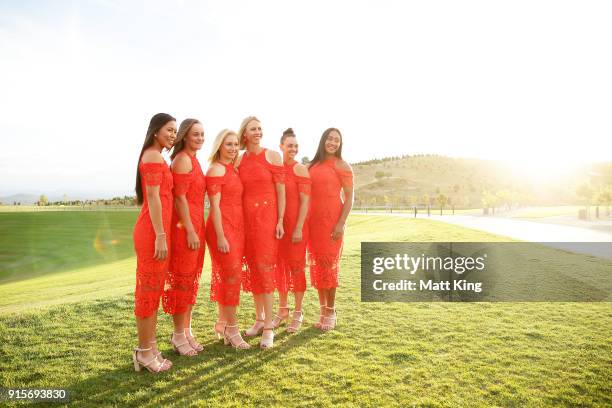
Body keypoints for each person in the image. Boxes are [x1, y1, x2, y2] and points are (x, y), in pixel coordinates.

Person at [236, 116, 285, 349]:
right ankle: (259, 320)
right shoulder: (239, 159)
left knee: (265, 271)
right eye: (253, 129)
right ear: (244, 134)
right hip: (246, 223)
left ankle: (269, 328)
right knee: (254, 270)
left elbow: (281, 192)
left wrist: (281, 220)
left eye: (260, 129)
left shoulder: (272, 155)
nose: (258, 132)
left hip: (267, 221)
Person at [132, 113, 176, 373]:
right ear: (156, 131)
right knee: (148, 291)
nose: (172, 134)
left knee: (154, 290)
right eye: (169, 130)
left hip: (158, 231)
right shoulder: (151, 155)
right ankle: (144, 352)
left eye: (174, 131)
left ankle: (150, 347)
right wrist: (160, 234)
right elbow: (153, 198)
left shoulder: (158, 156)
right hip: (152, 232)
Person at [163, 118, 206, 356]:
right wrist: (189, 229)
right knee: (182, 280)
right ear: (185, 137)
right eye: (195, 134)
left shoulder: (195, 160)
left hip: (197, 226)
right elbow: (179, 199)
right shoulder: (181, 160)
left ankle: (187, 331)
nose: (200, 138)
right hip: (184, 229)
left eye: (202, 134)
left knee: (191, 280)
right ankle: (178, 334)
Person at [206, 129, 250, 349]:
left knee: (229, 277)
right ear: (219, 146)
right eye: (228, 144)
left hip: (237, 228)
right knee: (231, 277)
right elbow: (214, 207)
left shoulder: (232, 169)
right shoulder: (215, 170)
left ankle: (223, 324)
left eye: (235, 144)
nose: (233, 148)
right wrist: (221, 236)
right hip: (221, 230)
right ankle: (232, 330)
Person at [307, 128, 354, 331]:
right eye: (330, 138)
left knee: (329, 267)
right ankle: (322, 310)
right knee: (318, 266)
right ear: (323, 140)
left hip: (333, 222)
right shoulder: (312, 166)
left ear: (340, 144)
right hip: (313, 223)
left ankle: (331, 310)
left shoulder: (343, 166)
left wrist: (341, 223)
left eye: (336, 140)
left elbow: (350, 196)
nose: (333, 142)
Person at [274, 128, 311, 333]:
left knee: (297, 268)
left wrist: (298, 227)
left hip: (297, 227)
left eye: (296, 146)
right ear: (281, 146)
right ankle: (282, 310)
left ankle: (298, 312)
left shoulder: (300, 169)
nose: (293, 149)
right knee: (281, 268)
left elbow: (305, 202)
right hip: (280, 228)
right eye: (290, 146)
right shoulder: (277, 168)